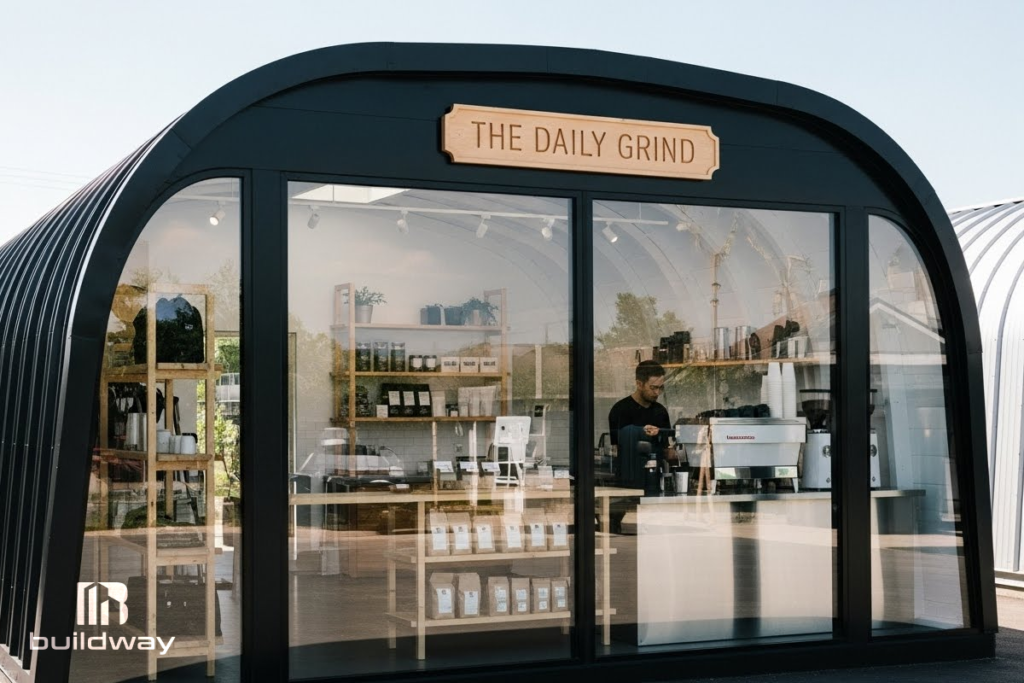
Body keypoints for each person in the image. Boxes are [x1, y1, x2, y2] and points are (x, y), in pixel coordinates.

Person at [608, 360, 677, 487]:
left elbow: (667, 450)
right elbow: (616, 450)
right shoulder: (620, 410)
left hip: (655, 479)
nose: (657, 393)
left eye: (661, 387)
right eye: (653, 387)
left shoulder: (660, 412)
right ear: (639, 384)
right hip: (628, 479)